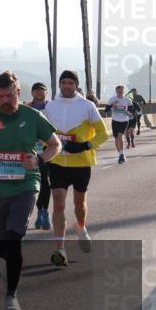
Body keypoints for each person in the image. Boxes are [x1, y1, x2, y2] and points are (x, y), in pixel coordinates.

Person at [0, 71, 61, 310]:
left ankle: (11, 296)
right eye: (1, 96)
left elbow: (55, 144)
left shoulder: (33, 116)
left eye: (10, 95)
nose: (6, 100)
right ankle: (10, 265)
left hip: (26, 184)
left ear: (18, 93)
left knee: (13, 237)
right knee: (0, 246)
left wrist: (40, 159)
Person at [43, 70, 108, 267]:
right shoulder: (50, 106)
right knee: (59, 203)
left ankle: (81, 227)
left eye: (70, 83)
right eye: (63, 82)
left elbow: (103, 134)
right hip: (58, 163)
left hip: (81, 163)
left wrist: (85, 145)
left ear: (76, 86)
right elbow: (42, 131)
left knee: (79, 205)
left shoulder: (87, 106)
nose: (66, 86)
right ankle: (60, 248)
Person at [27, 82, 53, 230]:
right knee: (36, 183)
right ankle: (39, 211)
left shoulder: (52, 107)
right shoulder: (27, 108)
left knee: (46, 182)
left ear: (46, 92)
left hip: (49, 149)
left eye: (41, 90)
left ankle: (44, 211)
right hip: (32, 149)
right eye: (36, 90)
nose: (39, 92)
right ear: (32, 92)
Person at [105, 85, 133, 164]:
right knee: (116, 138)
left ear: (123, 91)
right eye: (119, 91)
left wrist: (129, 112)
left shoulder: (127, 100)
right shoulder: (112, 99)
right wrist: (112, 105)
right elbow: (106, 110)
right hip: (115, 121)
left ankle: (122, 154)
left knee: (120, 136)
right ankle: (120, 154)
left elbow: (131, 109)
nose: (120, 92)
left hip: (124, 121)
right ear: (116, 91)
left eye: (121, 91)